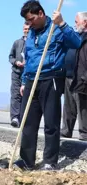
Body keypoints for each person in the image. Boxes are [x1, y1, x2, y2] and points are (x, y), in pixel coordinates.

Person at [13, 0, 81, 171]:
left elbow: (77, 43)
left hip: (51, 79)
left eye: (31, 19)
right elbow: (28, 58)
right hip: (30, 80)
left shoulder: (57, 29)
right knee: (28, 122)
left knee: (51, 123)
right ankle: (26, 160)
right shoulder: (31, 33)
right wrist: (23, 81)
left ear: (41, 14)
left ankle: (50, 161)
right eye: (27, 21)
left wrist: (63, 24)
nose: (29, 24)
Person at [62, 12, 87, 141]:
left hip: (81, 77)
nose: (75, 24)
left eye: (77, 21)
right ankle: (66, 130)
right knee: (68, 104)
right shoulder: (76, 36)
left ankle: (84, 133)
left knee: (82, 105)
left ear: (85, 22)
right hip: (69, 75)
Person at [9, 24, 30, 127]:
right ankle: (15, 117)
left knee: (26, 95)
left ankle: (24, 118)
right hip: (16, 72)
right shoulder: (17, 42)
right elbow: (10, 56)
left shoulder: (34, 42)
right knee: (15, 94)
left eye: (28, 29)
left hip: (28, 73)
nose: (26, 31)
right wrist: (16, 62)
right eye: (25, 29)